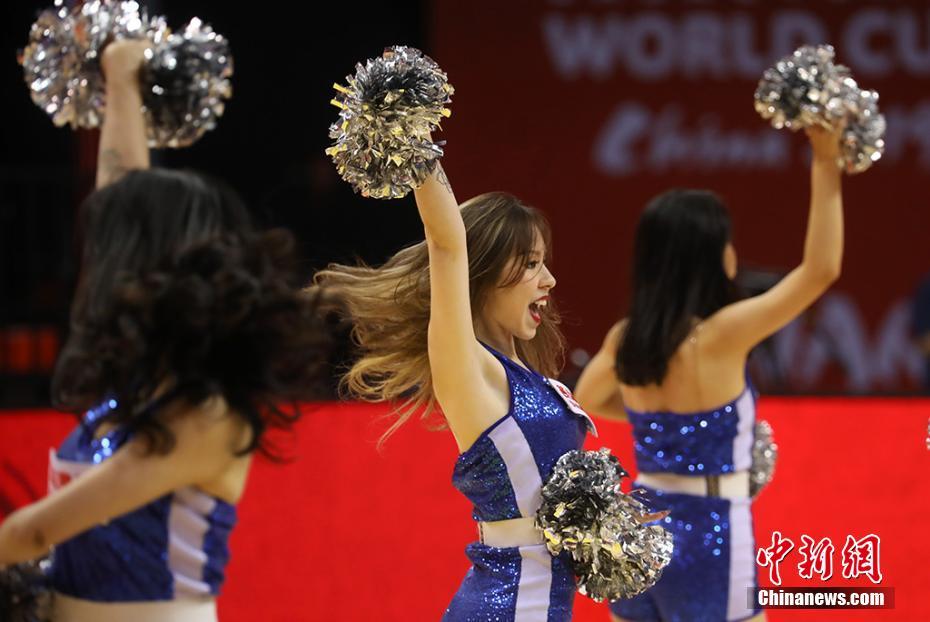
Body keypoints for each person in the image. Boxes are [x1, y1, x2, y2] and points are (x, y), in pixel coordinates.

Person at [0, 41, 332, 622]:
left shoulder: (208, 414)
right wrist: (121, 78)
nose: (104, 265)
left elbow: (34, 535)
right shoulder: (135, 386)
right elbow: (117, 193)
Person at [575, 125, 845, 622]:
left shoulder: (625, 337)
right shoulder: (721, 334)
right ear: (714, 255)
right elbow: (821, 270)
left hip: (635, 531)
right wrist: (825, 162)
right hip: (710, 532)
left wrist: (650, 418)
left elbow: (587, 398)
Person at [314, 162, 598, 619]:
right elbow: (447, 246)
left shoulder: (530, 376)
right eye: (530, 264)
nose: (549, 280)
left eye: (544, 262)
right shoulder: (469, 366)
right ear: (481, 273)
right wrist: (416, 137)